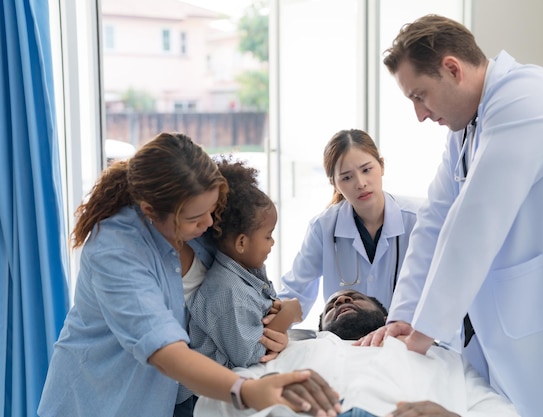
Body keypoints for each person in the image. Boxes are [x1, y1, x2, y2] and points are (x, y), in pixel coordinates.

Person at [355, 14, 543, 417]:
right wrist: (405, 316)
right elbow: (434, 224)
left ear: (452, 69)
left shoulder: (530, 97)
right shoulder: (464, 133)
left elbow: (475, 221)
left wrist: (423, 333)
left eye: (420, 95)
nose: (420, 114)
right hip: (525, 322)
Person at [38, 132, 339, 417]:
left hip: (164, 400)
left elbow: (245, 289)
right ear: (150, 210)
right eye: (196, 218)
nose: (209, 223)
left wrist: (280, 322)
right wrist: (248, 391)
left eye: (213, 209)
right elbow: (164, 349)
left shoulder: (201, 219)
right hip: (101, 399)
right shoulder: (116, 250)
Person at [194, 289, 521, 417]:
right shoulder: (290, 353)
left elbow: (503, 412)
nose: (341, 302)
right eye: (332, 305)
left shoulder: (439, 356)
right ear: (321, 326)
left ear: (385, 314)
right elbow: (209, 406)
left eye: (352, 297)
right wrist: (266, 396)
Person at [176, 156, 303, 415]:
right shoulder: (226, 291)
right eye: (268, 236)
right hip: (197, 402)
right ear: (242, 243)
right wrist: (287, 314)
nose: (272, 243)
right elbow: (248, 354)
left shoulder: (247, 272)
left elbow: (265, 312)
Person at [278, 129, 424, 318]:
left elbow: (443, 287)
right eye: (347, 177)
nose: (361, 183)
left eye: (366, 170)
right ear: (334, 183)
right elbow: (295, 292)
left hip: (401, 340)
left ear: (382, 166)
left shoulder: (418, 219)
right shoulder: (323, 228)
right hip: (346, 342)